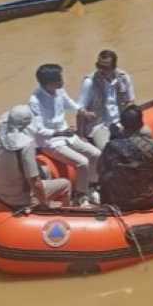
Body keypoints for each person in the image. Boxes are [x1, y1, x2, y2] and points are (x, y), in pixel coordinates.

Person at [28, 64, 102, 205]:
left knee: (96, 154)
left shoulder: (59, 91)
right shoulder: (35, 101)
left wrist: (84, 112)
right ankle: (81, 196)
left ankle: (92, 187)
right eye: (60, 78)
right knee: (83, 162)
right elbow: (38, 129)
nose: (63, 81)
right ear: (49, 83)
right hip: (50, 142)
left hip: (67, 135)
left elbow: (70, 104)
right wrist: (59, 132)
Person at [0, 105, 71, 209]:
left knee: (45, 171)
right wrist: (45, 204)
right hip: (18, 198)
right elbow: (35, 183)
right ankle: (65, 210)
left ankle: (46, 194)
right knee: (66, 184)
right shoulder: (26, 146)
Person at [98, 105, 153, 210]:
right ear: (141, 124)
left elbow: (100, 172)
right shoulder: (151, 145)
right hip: (148, 197)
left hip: (120, 201)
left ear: (122, 124)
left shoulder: (111, 147)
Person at [78, 49, 137, 149]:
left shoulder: (124, 78)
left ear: (114, 67)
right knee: (108, 150)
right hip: (99, 126)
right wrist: (81, 135)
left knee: (139, 142)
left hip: (120, 122)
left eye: (105, 67)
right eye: (98, 66)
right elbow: (80, 109)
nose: (101, 70)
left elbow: (130, 102)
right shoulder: (90, 82)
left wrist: (128, 123)